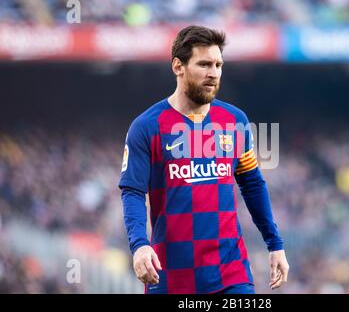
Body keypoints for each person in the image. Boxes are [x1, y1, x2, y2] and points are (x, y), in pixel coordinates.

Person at [118, 25, 289, 294]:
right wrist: (139, 245)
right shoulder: (147, 126)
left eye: (219, 64)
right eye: (204, 64)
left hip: (230, 274)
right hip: (170, 275)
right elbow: (133, 191)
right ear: (178, 66)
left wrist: (275, 244)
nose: (214, 73)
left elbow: (252, 184)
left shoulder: (235, 121)